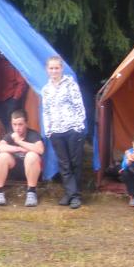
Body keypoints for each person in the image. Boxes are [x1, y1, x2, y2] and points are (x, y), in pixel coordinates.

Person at [41, 55, 87, 209]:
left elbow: (79, 105)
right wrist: (49, 131)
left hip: (72, 129)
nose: (54, 70)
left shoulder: (70, 85)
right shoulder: (45, 90)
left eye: (57, 68)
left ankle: (75, 195)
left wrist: (78, 126)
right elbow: (46, 111)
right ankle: (70, 193)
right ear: (47, 70)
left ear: (61, 69)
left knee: (75, 163)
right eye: (51, 68)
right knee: (64, 164)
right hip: (56, 131)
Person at [0, 109, 45, 207]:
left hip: (31, 170)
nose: (17, 128)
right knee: (2, 156)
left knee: (32, 156)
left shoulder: (33, 134)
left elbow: (40, 149)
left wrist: (19, 141)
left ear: (26, 123)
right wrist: (18, 148)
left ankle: (31, 192)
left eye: (20, 124)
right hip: (15, 169)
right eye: (14, 124)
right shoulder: (10, 135)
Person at [0, 50, 27, 127]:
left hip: (10, 98)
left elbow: (21, 82)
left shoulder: (14, 62)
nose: (1, 52)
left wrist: (15, 98)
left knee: (10, 124)